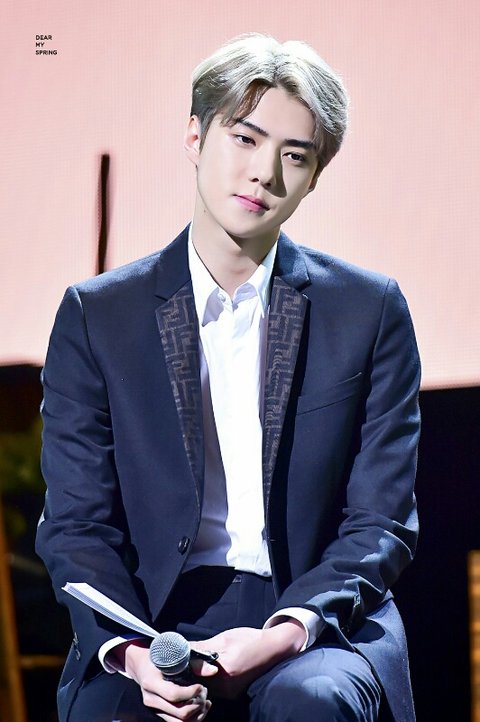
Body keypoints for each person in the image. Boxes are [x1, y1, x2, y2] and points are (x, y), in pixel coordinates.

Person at [36, 32, 421, 722]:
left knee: (311, 699)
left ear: (315, 176)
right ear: (195, 134)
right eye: (244, 139)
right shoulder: (98, 317)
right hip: (151, 613)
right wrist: (134, 653)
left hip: (316, 613)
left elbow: (380, 520)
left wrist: (283, 633)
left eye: (294, 155)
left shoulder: (368, 311)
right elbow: (76, 525)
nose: (264, 173)